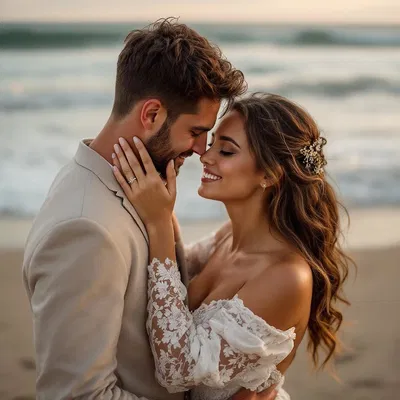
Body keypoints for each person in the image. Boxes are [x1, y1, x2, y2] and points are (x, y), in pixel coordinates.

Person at [22, 18, 271, 400]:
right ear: (152, 114)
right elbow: (76, 395)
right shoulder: (86, 228)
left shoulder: (129, 186)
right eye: (195, 131)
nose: (200, 149)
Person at [112, 93, 354, 400]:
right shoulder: (227, 238)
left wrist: (159, 223)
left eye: (226, 150)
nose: (206, 156)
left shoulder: (287, 276)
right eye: (212, 143)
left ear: (269, 174)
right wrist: (163, 211)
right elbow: (167, 278)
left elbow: (178, 369)